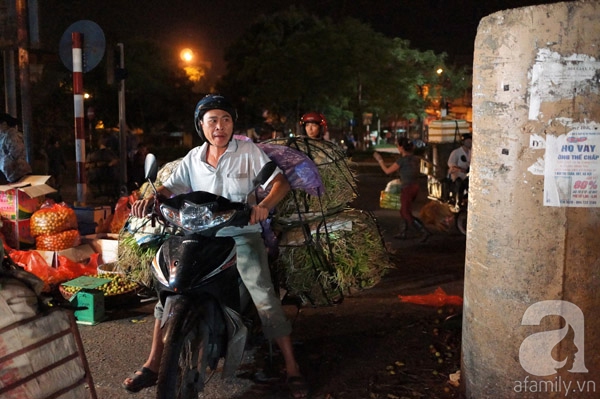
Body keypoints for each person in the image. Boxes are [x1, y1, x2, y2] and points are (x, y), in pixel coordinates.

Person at [122, 94, 308, 398]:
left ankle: (292, 367)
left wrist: (264, 206)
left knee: (263, 293)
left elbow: (280, 183)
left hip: (239, 232)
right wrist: (153, 199)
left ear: (232, 124)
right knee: (168, 288)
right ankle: (154, 363)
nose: (219, 126)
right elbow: (171, 187)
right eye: (212, 120)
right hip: (199, 233)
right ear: (201, 126)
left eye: (225, 120)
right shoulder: (194, 157)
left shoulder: (247, 151)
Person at [373, 137, 430, 242]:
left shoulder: (402, 161)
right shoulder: (415, 159)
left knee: (405, 212)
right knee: (404, 209)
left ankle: (423, 231)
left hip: (407, 188)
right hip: (415, 187)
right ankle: (403, 232)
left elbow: (387, 171)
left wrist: (380, 160)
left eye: (398, 146)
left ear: (401, 148)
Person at [0, 113, 32, 184]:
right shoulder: (4, 136)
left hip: (18, 174)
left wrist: (6, 164)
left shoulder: (11, 135)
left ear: (4, 124)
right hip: (10, 174)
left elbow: (16, 151)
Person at [447, 133, 472, 207]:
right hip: (457, 175)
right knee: (459, 183)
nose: (469, 143)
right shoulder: (456, 152)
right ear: (463, 142)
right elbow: (451, 164)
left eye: (470, 141)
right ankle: (458, 202)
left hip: (468, 175)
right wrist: (460, 169)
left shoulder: (472, 152)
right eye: (468, 141)